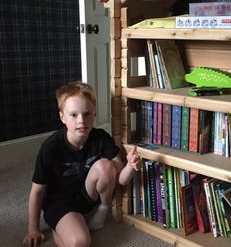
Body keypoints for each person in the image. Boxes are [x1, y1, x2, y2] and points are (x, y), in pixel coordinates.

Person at [22, 81, 141, 247]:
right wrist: (32, 229)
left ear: (94, 114)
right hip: (60, 204)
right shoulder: (51, 148)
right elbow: (37, 192)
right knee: (81, 242)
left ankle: (101, 211)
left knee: (105, 166)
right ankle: (62, 227)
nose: (81, 121)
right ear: (62, 117)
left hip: (87, 197)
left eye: (87, 114)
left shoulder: (100, 138)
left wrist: (130, 166)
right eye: (74, 115)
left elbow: (120, 179)